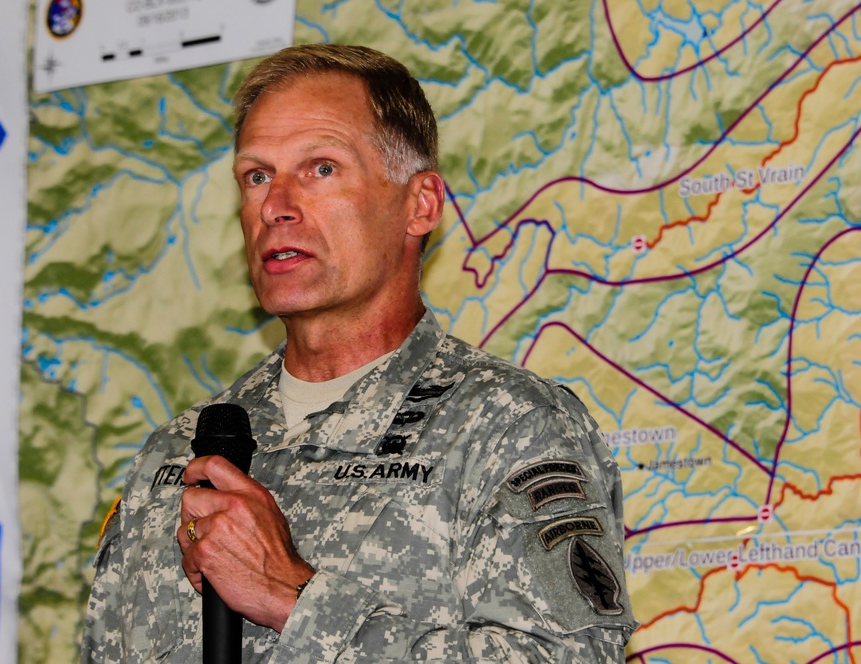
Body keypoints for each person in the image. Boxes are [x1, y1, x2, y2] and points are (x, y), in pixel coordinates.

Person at [82, 43, 636, 662]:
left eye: (321, 168)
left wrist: (295, 598)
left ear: (420, 204)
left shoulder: (506, 427)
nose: (276, 206)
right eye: (256, 175)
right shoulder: (179, 451)